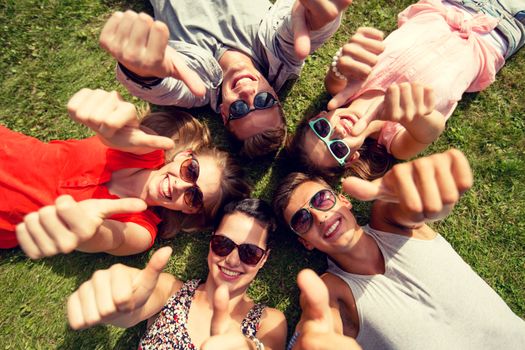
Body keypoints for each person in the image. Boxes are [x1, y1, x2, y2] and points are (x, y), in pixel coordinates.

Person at [273, 149, 525, 349]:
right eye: (302, 220)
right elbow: (319, 327)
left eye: (321, 199)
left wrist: (426, 199)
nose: (319, 216)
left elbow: (409, 205)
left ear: (344, 200)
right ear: (305, 242)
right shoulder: (330, 290)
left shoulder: (389, 221)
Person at [288, 0, 525, 180]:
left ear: (320, 116)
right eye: (337, 148)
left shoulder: (342, 88)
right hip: (499, 35)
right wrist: (413, 113)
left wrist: (343, 63)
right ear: (352, 158)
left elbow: (338, 72)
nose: (337, 132)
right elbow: (433, 129)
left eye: (322, 129)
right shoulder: (396, 141)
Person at [0, 88, 250, 258]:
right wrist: (115, 117)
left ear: (190, 210)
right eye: (191, 170)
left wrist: (90, 233)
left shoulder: (142, 230)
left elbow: (114, 239)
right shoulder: (146, 149)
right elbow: (125, 134)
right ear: (184, 156)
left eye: (194, 196)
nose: (180, 186)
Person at [99, 0, 353, 158]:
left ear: (222, 113)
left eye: (240, 109)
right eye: (264, 101)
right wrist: (319, 15)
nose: (248, 95)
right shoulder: (279, 54)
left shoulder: (195, 87)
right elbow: (303, 24)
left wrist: (142, 70)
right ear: (276, 95)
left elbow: (163, 88)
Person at [66, 198, 287, 350]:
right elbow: (134, 306)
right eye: (223, 244)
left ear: (264, 258)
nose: (232, 259)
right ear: (211, 242)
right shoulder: (172, 290)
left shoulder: (268, 322)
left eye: (249, 252)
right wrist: (120, 303)